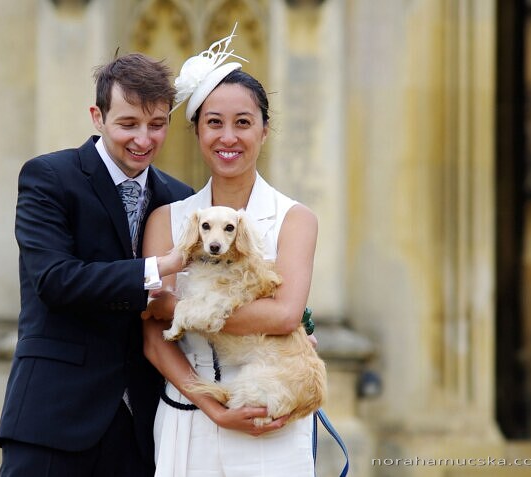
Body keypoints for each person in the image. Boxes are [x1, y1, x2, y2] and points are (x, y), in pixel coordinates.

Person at [0, 53, 194, 477]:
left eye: (157, 124)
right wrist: (157, 267)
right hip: (53, 418)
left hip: (144, 430)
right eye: (128, 124)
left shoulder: (181, 199)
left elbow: (195, 300)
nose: (144, 139)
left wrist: (279, 335)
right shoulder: (48, 177)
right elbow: (54, 281)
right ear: (97, 116)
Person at [141, 29, 320, 477]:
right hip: (186, 414)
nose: (229, 137)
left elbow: (283, 316)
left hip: (270, 414)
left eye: (243, 122)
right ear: (198, 130)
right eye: (214, 122)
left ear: (264, 127)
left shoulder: (294, 219)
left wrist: (177, 308)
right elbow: (150, 334)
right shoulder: (167, 219)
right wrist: (213, 408)